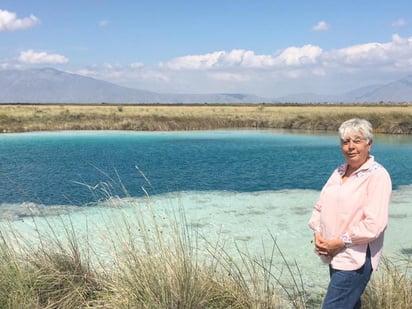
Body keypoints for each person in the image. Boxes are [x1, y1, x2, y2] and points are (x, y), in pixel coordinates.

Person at [309, 118, 392, 309]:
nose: (351, 147)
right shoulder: (338, 172)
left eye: (357, 140)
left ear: (369, 144)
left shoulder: (377, 175)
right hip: (334, 255)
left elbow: (374, 224)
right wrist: (318, 234)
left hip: (356, 258)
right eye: (346, 142)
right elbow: (320, 207)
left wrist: (338, 242)